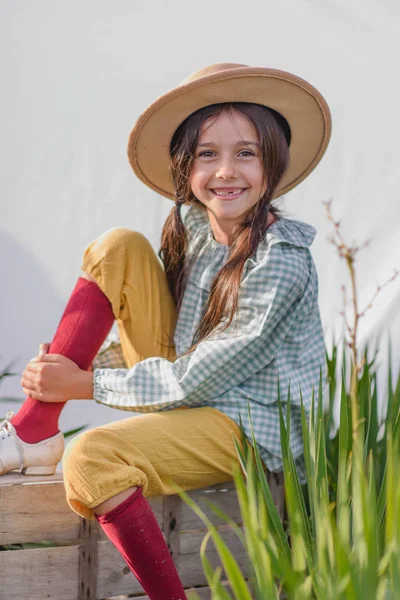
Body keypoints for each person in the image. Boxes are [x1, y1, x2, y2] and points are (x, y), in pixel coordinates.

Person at [0, 63, 331, 599]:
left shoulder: (281, 261)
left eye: (246, 152)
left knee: (93, 457)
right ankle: (35, 429)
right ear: (185, 165)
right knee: (118, 246)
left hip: (247, 420)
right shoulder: (196, 227)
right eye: (208, 154)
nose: (227, 171)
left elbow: (203, 375)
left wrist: (84, 385)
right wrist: (71, 370)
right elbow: (174, 333)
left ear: (274, 163)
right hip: (193, 387)